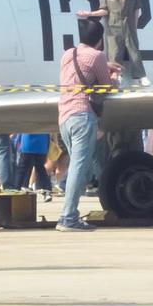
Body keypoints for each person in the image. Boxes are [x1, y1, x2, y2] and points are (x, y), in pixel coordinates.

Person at [56, 18, 120, 231]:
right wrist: (115, 77)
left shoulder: (68, 53)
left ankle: (68, 214)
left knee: (77, 166)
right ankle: (68, 217)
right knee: (79, 167)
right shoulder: (97, 55)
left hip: (64, 115)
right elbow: (105, 86)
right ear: (100, 39)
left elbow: (81, 70)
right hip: (83, 115)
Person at [77, 0, 150, 85]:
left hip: (129, 26)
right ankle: (117, 75)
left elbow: (136, 10)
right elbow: (104, 11)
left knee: (134, 52)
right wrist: (89, 13)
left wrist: (135, 26)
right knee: (114, 52)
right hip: (113, 27)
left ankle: (141, 76)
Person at [14, 132, 53, 198]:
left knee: (23, 168)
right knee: (40, 168)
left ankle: (18, 189)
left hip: (28, 140)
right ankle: (46, 191)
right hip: (42, 141)